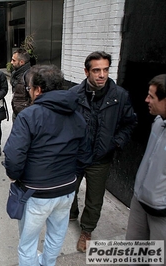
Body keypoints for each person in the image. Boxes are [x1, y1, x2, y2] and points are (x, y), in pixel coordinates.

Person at [3, 65, 91, 266]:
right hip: (67, 190)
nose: (29, 93)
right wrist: (70, 177)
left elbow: (14, 156)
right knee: (56, 235)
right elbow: (85, 155)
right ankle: (47, 263)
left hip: (36, 193)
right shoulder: (77, 115)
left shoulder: (29, 116)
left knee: (27, 244)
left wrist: (14, 175)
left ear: (38, 90)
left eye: (29, 88)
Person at [69, 51, 136, 252]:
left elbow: (130, 122)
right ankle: (70, 213)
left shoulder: (120, 96)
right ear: (86, 71)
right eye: (96, 70)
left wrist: (115, 143)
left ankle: (87, 230)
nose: (102, 75)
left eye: (105, 70)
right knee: (68, 191)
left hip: (100, 158)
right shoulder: (74, 94)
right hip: (76, 156)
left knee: (94, 198)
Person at [126, 74, 166, 254]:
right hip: (139, 200)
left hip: (161, 212)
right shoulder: (158, 122)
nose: (146, 99)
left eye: (152, 96)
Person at [10, 48, 32, 121]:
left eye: (14, 60)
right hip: (17, 112)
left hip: (25, 116)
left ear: (22, 62)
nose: (11, 62)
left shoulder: (30, 76)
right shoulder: (15, 74)